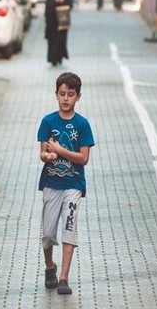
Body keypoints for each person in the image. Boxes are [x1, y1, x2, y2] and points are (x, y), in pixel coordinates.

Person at [37, 72, 95, 295]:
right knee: (48, 234)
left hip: (74, 185)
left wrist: (59, 151)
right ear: (56, 95)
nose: (66, 98)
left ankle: (64, 278)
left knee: (69, 229)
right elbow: (43, 152)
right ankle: (50, 267)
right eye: (62, 94)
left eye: (70, 94)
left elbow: (84, 158)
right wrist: (47, 157)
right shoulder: (48, 121)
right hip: (51, 183)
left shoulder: (83, 124)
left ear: (78, 97)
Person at [45, 0, 72, 67]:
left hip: (61, 23)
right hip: (53, 23)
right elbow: (48, 6)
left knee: (60, 41)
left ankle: (58, 58)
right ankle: (54, 59)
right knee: (54, 40)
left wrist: (61, 1)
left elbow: (69, 4)